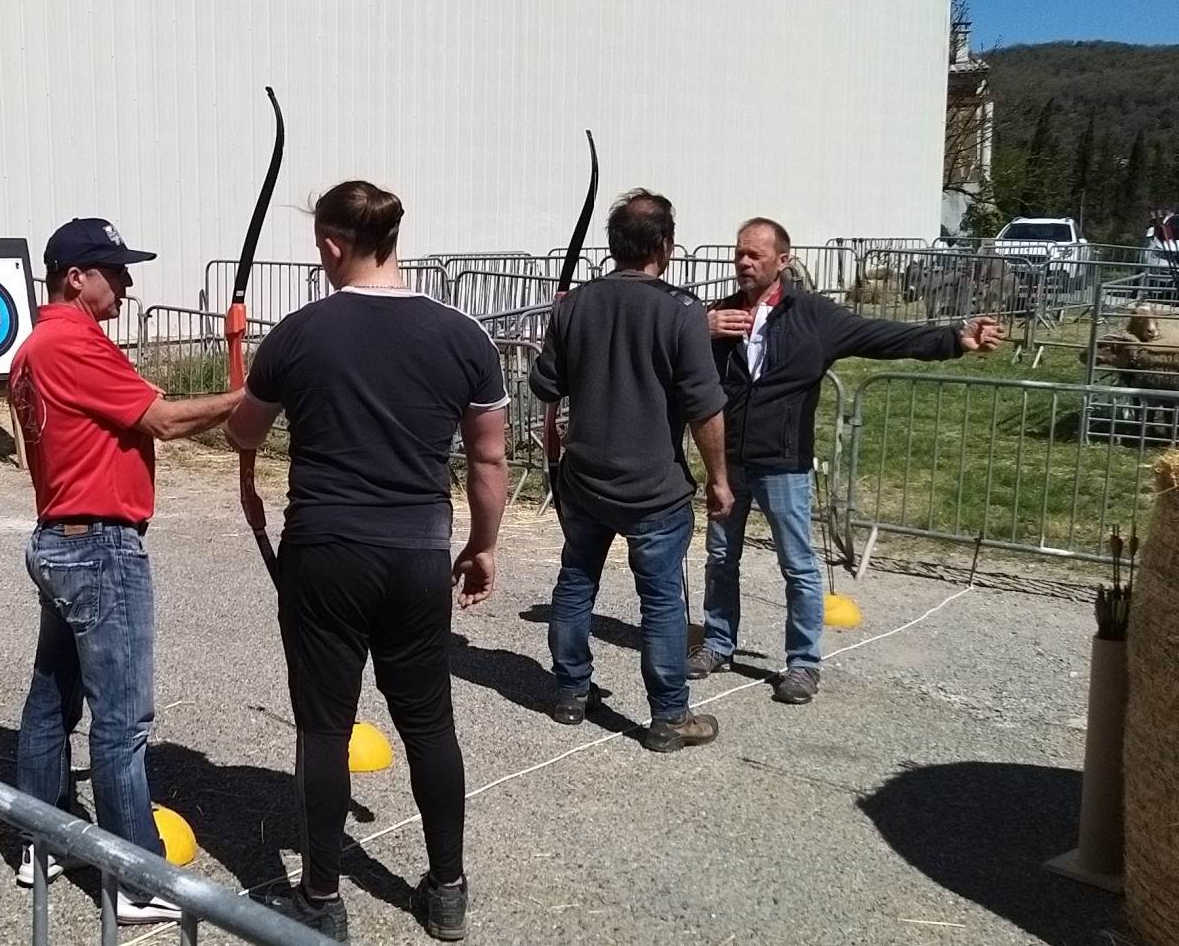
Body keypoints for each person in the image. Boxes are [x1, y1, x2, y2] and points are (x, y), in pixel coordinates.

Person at [226, 181, 509, 942]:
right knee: (428, 724)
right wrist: (484, 545)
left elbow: (243, 433)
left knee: (324, 729)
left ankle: (321, 899)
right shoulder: (463, 335)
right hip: (418, 552)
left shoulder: (300, 332)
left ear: (331, 246)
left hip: (326, 551)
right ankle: (446, 890)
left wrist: (247, 394)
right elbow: (489, 459)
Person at [7, 217, 244, 926]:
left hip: (64, 539)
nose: (129, 283)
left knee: (53, 700)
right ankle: (135, 874)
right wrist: (256, 396)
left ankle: (39, 838)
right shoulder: (73, 342)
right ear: (74, 277)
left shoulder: (34, 347)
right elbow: (163, 421)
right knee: (123, 718)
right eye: (114, 270)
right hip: (98, 548)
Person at [687, 218, 1004, 703]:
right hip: (727, 462)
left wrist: (953, 339)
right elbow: (670, 342)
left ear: (783, 261)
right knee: (720, 556)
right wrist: (701, 326)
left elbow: (885, 336)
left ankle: (803, 664)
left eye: (755, 255)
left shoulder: (814, 316)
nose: (744, 263)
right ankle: (717, 643)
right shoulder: (719, 315)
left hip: (784, 462)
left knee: (798, 565)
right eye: (739, 254)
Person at [528, 189, 733, 753]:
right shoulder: (682, 310)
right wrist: (719, 478)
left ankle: (570, 692)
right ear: (664, 246)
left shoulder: (576, 306)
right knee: (662, 599)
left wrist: (566, 325)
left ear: (614, 245)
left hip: (586, 479)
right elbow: (704, 406)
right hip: (653, 487)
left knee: (576, 581)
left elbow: (544, 384)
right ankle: (668, 715)